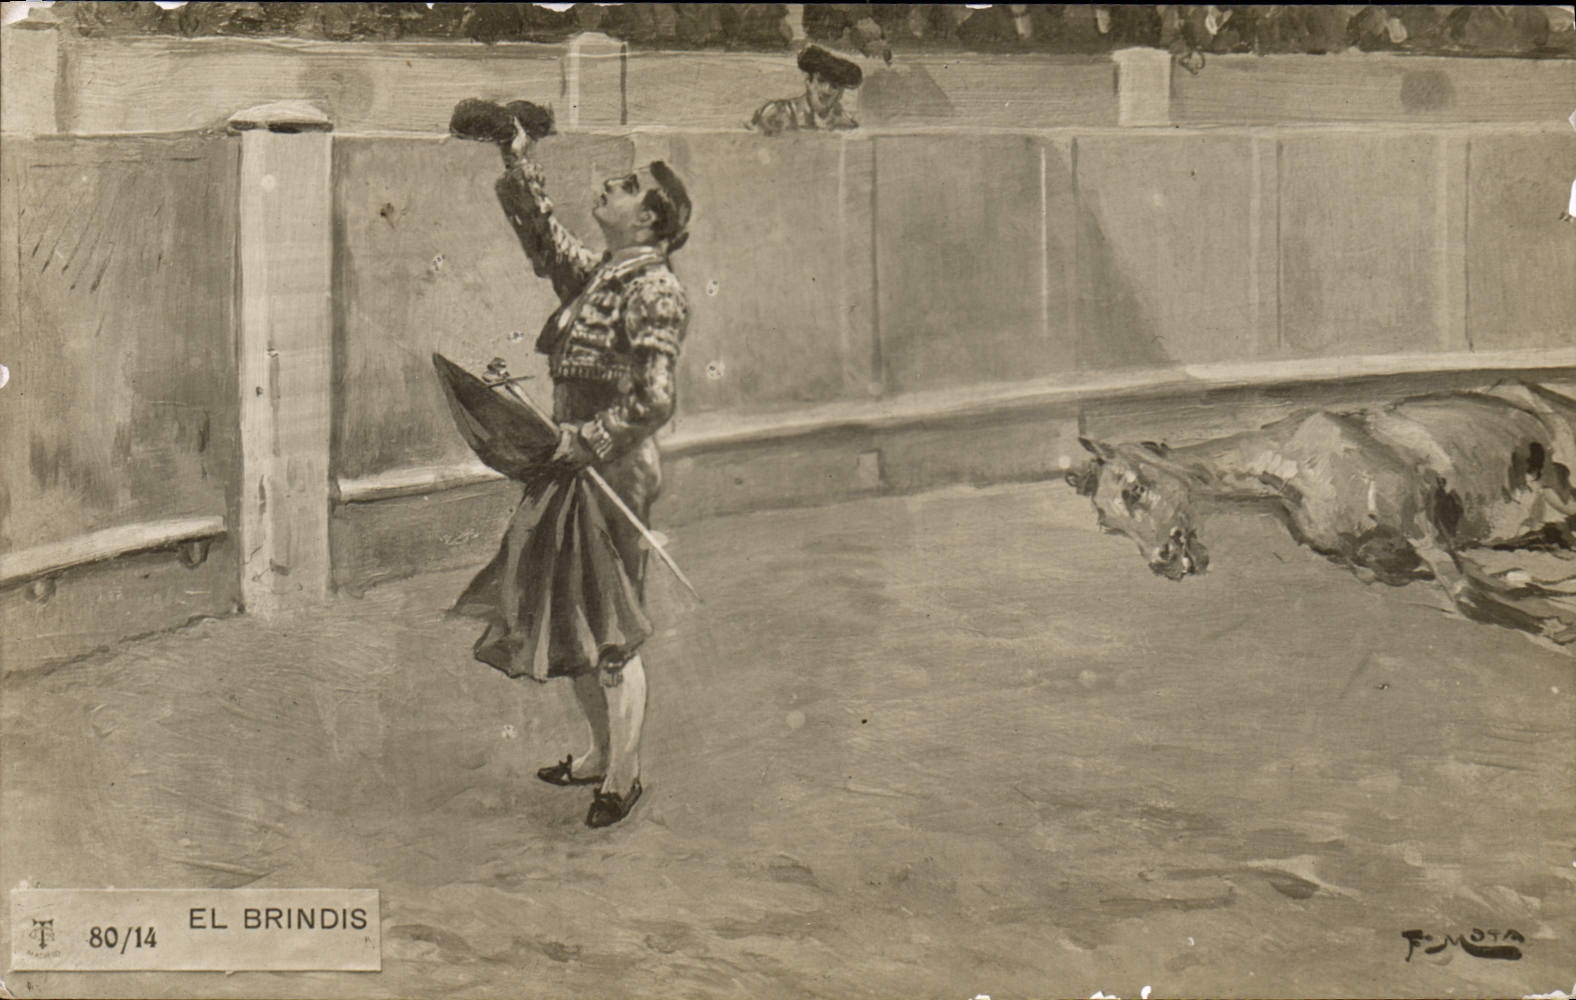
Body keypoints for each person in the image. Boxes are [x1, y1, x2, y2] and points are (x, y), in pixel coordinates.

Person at [453, 119, 692, 829]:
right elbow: (544, 239)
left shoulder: (655, 292)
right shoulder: (603, 276)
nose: (606, 189)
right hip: (574, 465)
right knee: (579, 619)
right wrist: (514, 153)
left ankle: (624, 776)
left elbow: (654, 400)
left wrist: (584, 440)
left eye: (621, 188)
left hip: (614, 472)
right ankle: (596, 752)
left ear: (648, 217)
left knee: (611, 627)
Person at [748, 44, 862, 135]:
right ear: (808, 81)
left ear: (840, 93)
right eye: (821, 80)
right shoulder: (777, 112)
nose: (826, 90)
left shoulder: (845, 123)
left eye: (835, 86)